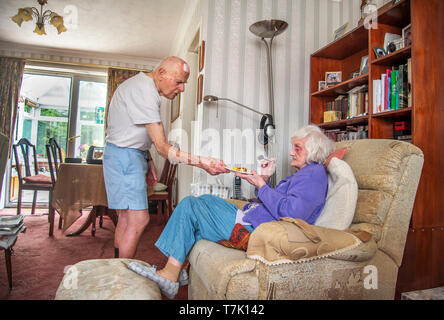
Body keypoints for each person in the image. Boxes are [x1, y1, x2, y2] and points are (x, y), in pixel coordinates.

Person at [126, 124, 335, 299]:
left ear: (314, 150)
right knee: (205, 200)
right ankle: (179, 266)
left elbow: (292, 212)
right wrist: (264, 180)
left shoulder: (313, 175)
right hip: (252, 217)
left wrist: (262, 186)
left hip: (254, 230)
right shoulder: (304, 174)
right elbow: (280, 203)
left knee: (191, 205)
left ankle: (170, 274)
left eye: (297, 147)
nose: (291, 152)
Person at [103, 56, 229, 259]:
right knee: (138, 220)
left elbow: (134, 131)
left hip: (125, 155)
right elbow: (162, 146)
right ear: (161, 73)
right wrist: (203, 162)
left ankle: (118, 270)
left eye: (184, 83)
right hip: (125, 158)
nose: (182, 89)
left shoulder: (144, 87)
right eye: (178, 81)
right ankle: (122, 276)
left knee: (126, 219)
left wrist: (147, 159)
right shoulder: (144, 90)